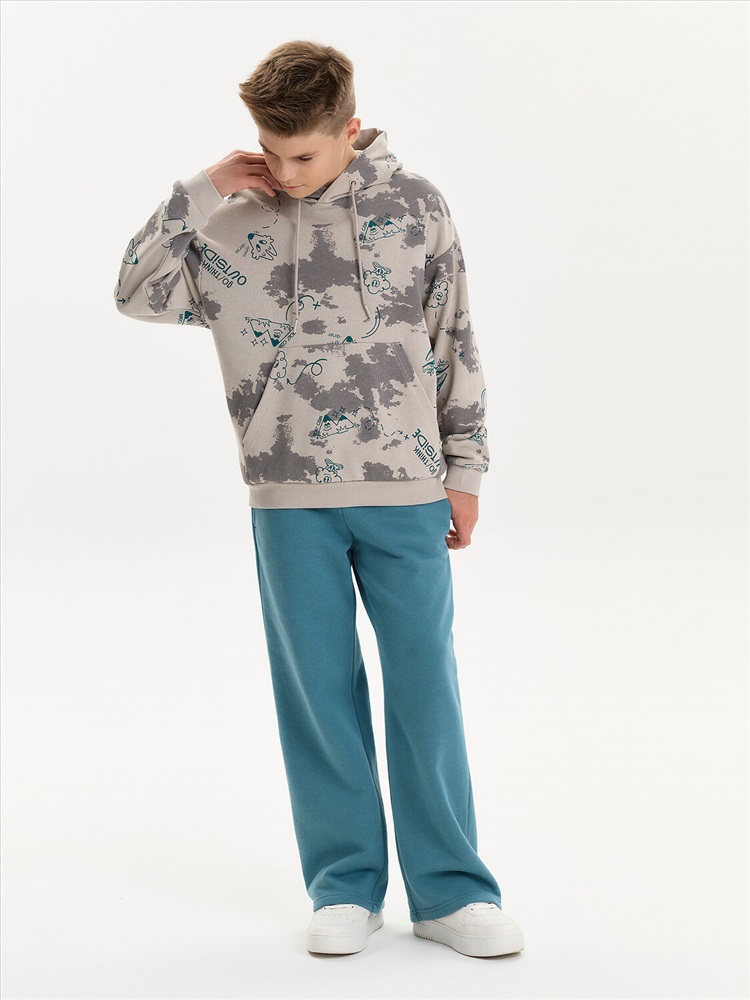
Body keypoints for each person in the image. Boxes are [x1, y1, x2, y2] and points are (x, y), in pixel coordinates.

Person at [114, 38, 524, 960]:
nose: (288, 173)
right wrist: (202, 190)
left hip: (405, 485)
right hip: (286, 491)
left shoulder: (416, 207)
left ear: (351, 127)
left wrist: (465, 471)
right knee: (317, 692)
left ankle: (452, 891)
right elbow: (134, 291)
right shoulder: (231, 220)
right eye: (271, 151)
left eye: (304, 154)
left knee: (424, 684)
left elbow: (454, 336)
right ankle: (344, 883)